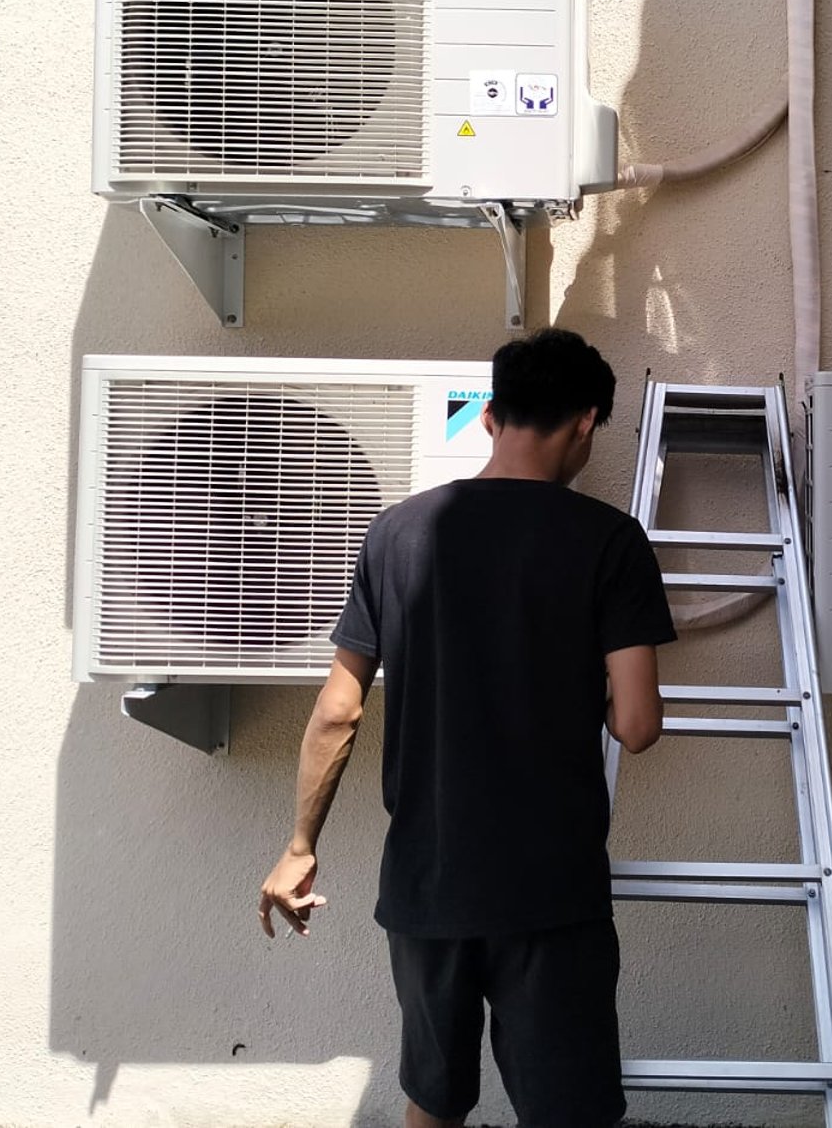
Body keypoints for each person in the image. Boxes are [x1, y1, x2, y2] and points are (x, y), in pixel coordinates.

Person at [257, 328, 676, 1128]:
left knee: (434, 1099)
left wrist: (300, 845)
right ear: (586, 422)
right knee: (569, 1112)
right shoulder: (610, 542)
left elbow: (338, 708)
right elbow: (637, 723)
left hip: (428, 886)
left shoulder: (395, 533)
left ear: (490, 416)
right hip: (551, 891)